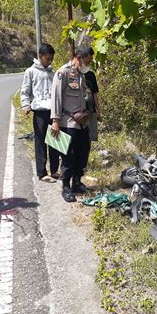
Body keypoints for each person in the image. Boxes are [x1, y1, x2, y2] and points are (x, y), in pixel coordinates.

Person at [51, 46, 93, 202]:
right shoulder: (63, 73)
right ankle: (66, 187)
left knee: (82, 153)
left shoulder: (81, 75)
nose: (88, 64)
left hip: (82, 123)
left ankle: (76, 182)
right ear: (79, 58)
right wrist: (55, 120)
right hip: (67, 122)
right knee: (68, 156)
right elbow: (56, 97)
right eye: (87, 61)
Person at [20, 43, 60, 183]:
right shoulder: (30, 72)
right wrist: (26, 105)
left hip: (52, 111)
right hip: (39, 112)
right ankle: (42, 173)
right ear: (40, 56)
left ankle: (55, 170)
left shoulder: (52, 73)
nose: (49, 61)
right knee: (40, 142)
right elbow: (25, 91)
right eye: (47, 58)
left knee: (54, 141)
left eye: (51, 59)